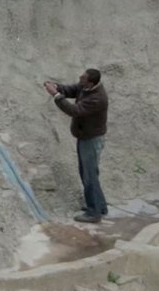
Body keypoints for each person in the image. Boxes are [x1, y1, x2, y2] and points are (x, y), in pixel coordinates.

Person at [43, 69, 109, 223]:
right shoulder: (86, 87)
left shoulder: (97, 98)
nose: (80, 78)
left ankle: (94, 213)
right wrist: (57, 87)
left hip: (91, 140)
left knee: (89, 175)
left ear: (90, 82)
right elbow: (71, 90)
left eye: (83, 77)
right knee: (88, 173)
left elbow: (74, 110)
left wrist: (55, 95)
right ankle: (100, 207)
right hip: (86, 137)